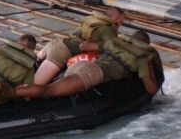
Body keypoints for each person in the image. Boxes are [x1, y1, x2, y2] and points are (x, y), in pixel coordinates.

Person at [16, 30, 162, 100]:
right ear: (145, 45)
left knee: (51, 88)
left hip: (84, 65)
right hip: (93, 73)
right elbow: (151, 89)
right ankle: (14, 93)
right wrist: (149, 66)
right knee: (50, 90)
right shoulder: (141, 58)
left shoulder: (113, 43)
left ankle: (15, 91)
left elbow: (85, 45)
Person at [33, 7, 124, 85]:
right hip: (61, 52)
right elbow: (113, 47)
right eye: (121, 20)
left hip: (57, 44)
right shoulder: (108, 29)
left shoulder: (94, 21)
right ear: (117, 18)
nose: (121, 24)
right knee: (36, 86)